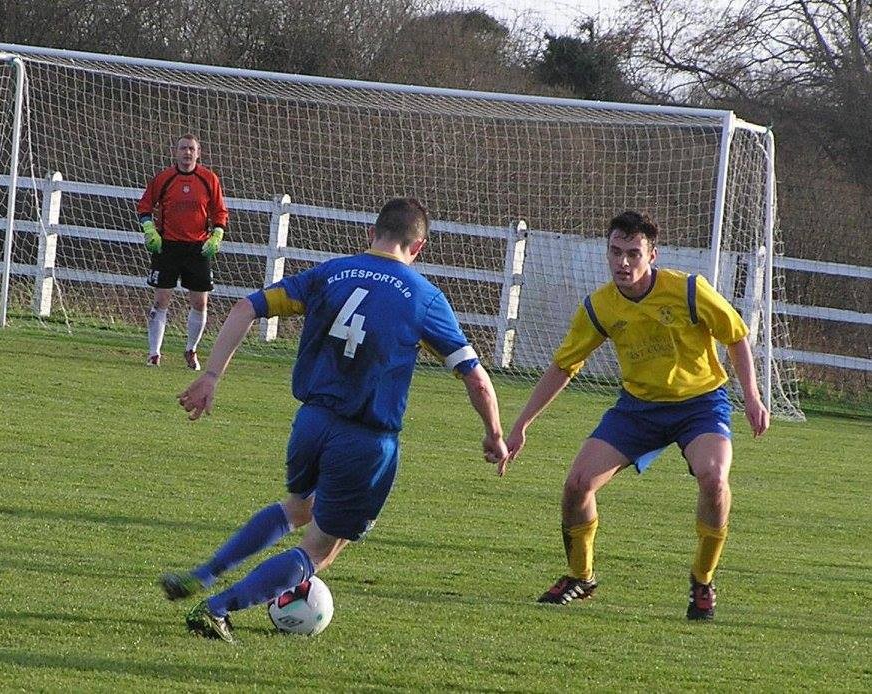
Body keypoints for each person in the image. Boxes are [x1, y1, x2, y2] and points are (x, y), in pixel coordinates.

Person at [160, 197, 509, 642]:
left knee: (298, 507)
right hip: (365, 440)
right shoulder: (424, 298)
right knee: (321, 549)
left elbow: (245, 308)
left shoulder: (329, 274)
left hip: (311, 423)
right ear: (418, 247)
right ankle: (218, 608)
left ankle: (204, 574)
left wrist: (211, 376)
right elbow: (476, 379)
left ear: (372, 233)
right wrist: (494, 434)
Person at [502, 210, 769, 621]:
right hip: (638, 410)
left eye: (633, 253)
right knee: (577, 485)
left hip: (699, 405)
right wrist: (522, 424)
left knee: (714, 478)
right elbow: (563, 366)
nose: (622, 262)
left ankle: (702, 580)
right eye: (615, 252)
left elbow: (736, 336)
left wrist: (751, 395)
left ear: (652, 255)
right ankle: (581, 577)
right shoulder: (600, 307)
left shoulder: (689, 290)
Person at [136, 134, 229, 369]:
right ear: (175, 152)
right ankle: (154, 353)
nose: (187, 153)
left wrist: (217, 234)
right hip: (167, 246)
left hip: (198, 249)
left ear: (198, 153)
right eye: (183, 148)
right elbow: (144, 205)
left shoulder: (209, 179)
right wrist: (149, 229)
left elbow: (220, 211)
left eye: (191, 149)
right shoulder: (164, 178)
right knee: (161, 300)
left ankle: (191, 350)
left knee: (200, 302)